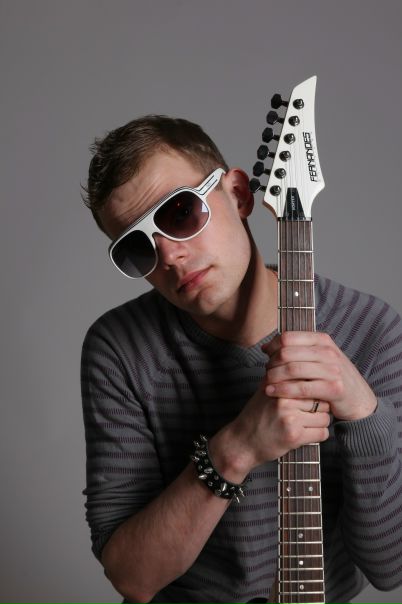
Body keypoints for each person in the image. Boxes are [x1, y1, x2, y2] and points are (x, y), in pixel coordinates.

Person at [81, 115, 402, 604]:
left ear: (238, 194)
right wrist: (236, 450)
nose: (169, 256)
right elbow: (133, 577)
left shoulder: (370, 329)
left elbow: (390, 567)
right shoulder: (120, 348)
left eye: (180, 213)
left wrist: (364, 412)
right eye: (137, 247)